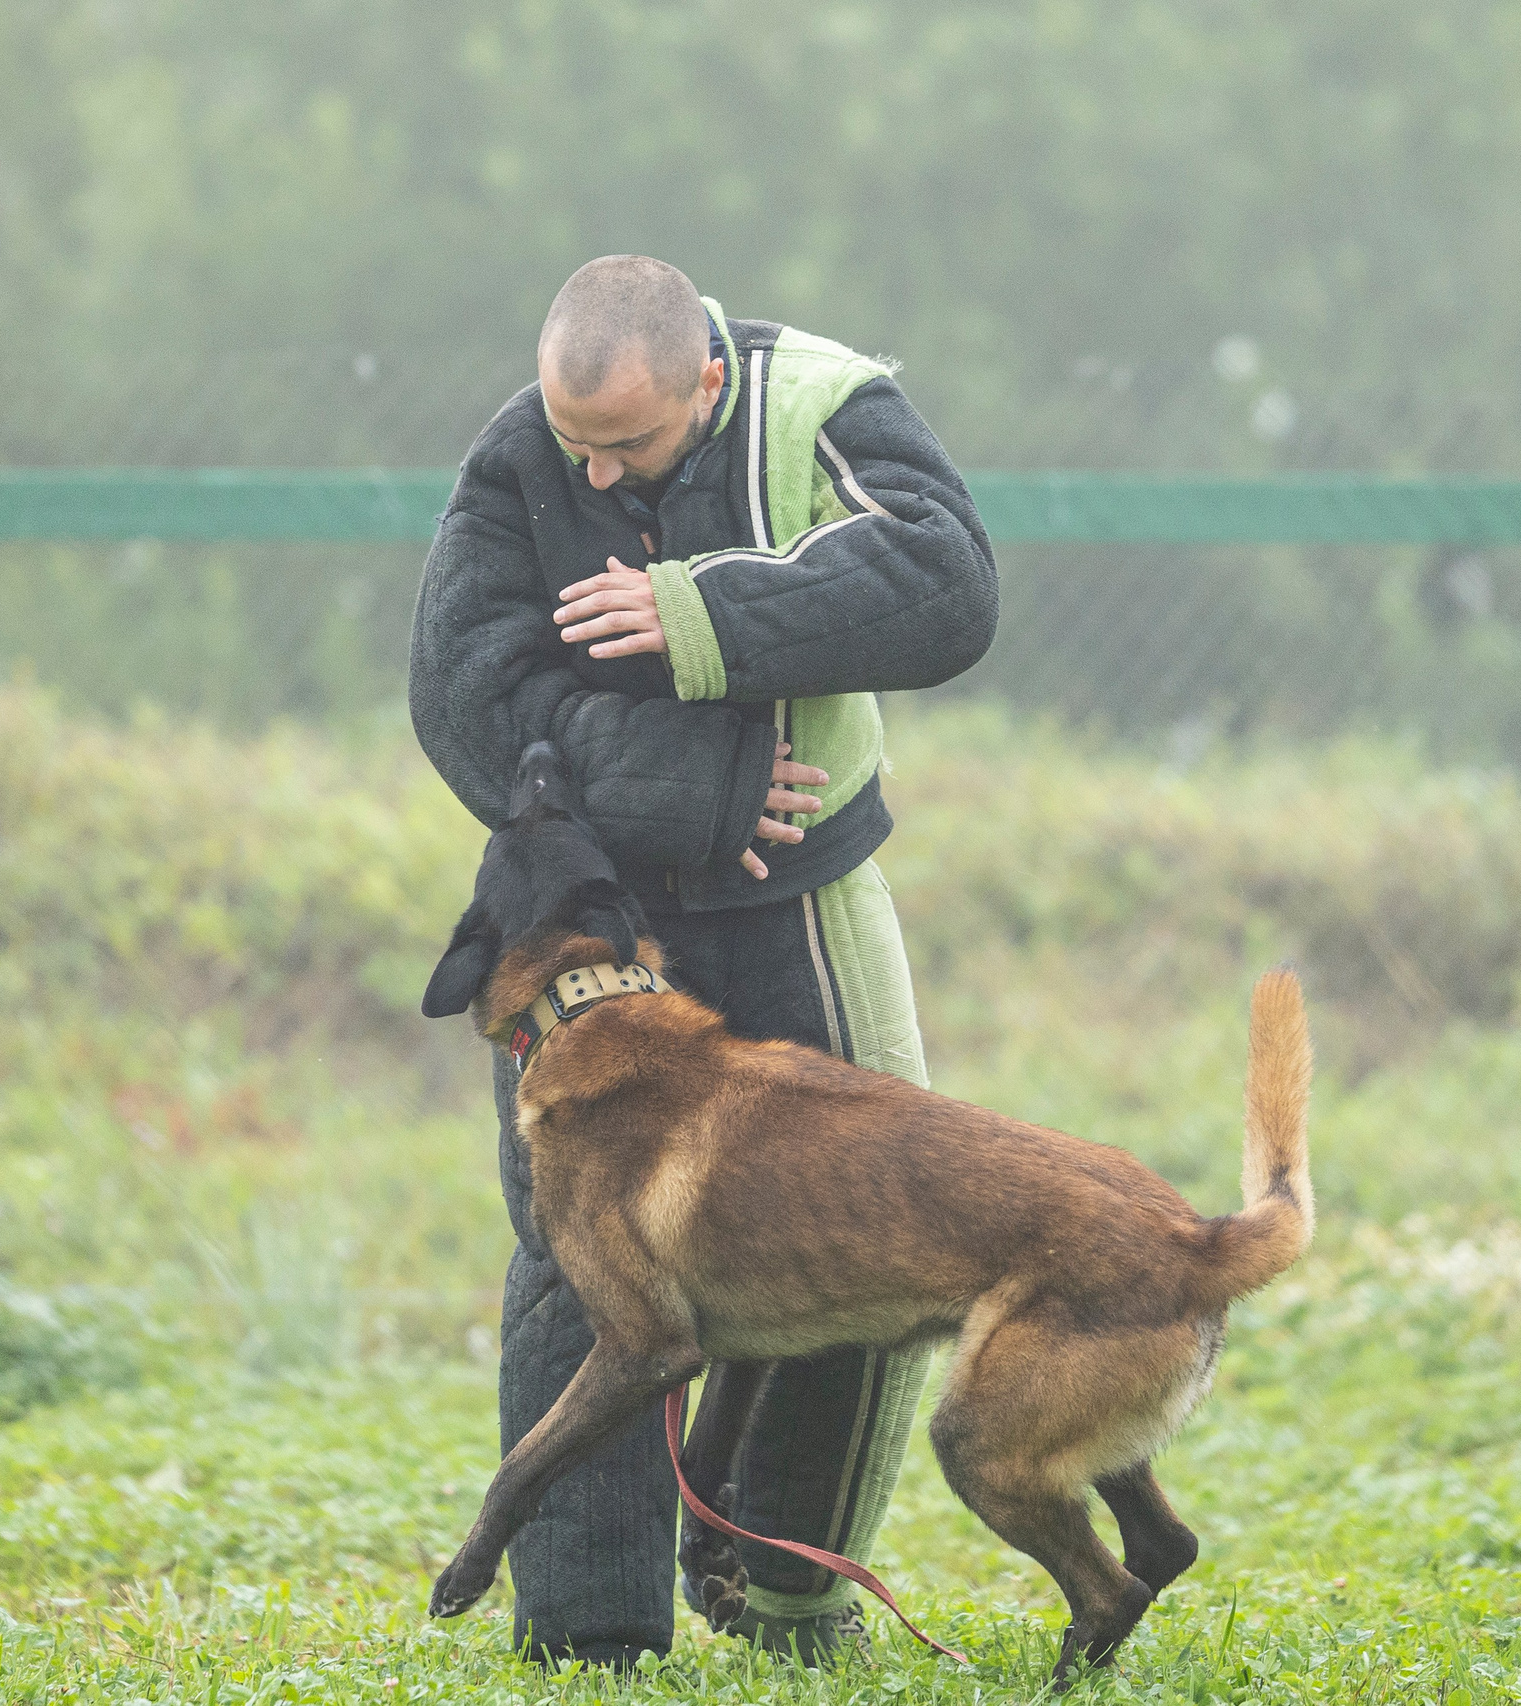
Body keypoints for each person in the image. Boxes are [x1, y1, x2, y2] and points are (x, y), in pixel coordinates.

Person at [409, 256, 998, 1669]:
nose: (600, 476)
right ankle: (591, 1633)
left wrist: (698, 614)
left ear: (711, 383)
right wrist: (701, 785)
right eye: (578, 445)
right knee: (576, 1262)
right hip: (596, 923)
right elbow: (466, 701)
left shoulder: (825, 403)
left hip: (801, 896)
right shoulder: (520, 453)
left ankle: (785, 1593)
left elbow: (948, 584)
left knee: (880, 1230)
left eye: (634, 444)